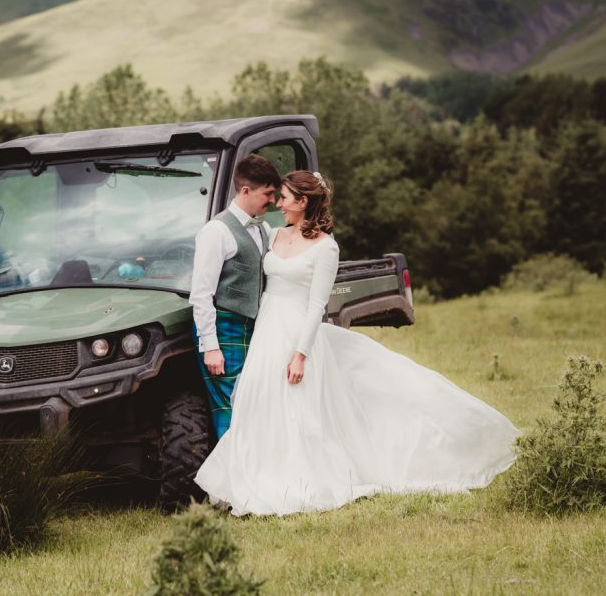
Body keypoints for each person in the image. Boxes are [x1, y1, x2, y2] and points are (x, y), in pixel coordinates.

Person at [194, 170, 519, 516]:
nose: (278, 204)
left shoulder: (326, 247)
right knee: (259, 403)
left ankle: (297, 480)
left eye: (285, 197)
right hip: (267, 330)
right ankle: (251, 477)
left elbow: (317, 305)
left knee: (298, 408)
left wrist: (300, 354)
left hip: (297, 332)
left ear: (303, 202)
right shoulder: (272, 234)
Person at [189, 154, 281, 439]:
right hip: (224, 329)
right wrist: (211, 347)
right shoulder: (215, 232)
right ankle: (227, 480)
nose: (273, 201)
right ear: (245, 191)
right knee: (231, 405)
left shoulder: (264, 229)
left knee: (254, 402)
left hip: (255, 329)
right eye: (267, 193)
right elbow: (202, 295)